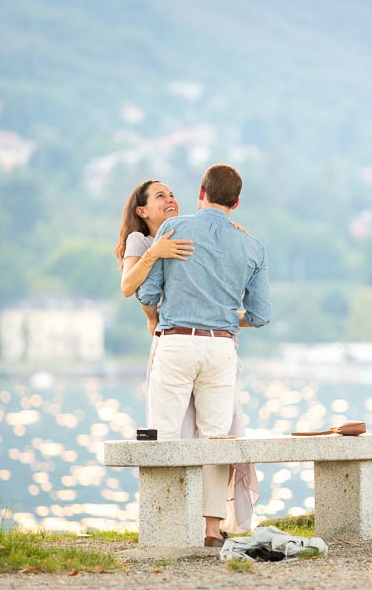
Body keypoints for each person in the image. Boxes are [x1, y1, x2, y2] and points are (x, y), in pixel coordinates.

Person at [115, 177, 260, 537]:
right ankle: (182, 520)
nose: (170, 199)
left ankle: (204, 523)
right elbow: (128, 288)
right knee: (179, 432)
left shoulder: (183, 233)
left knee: (206, 432)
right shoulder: (142, 239)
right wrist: (155, 253)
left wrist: (225, 231)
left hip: (183, 342)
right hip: (183, 340)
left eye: (172, 194)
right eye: (160, 196)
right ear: (141, 210)